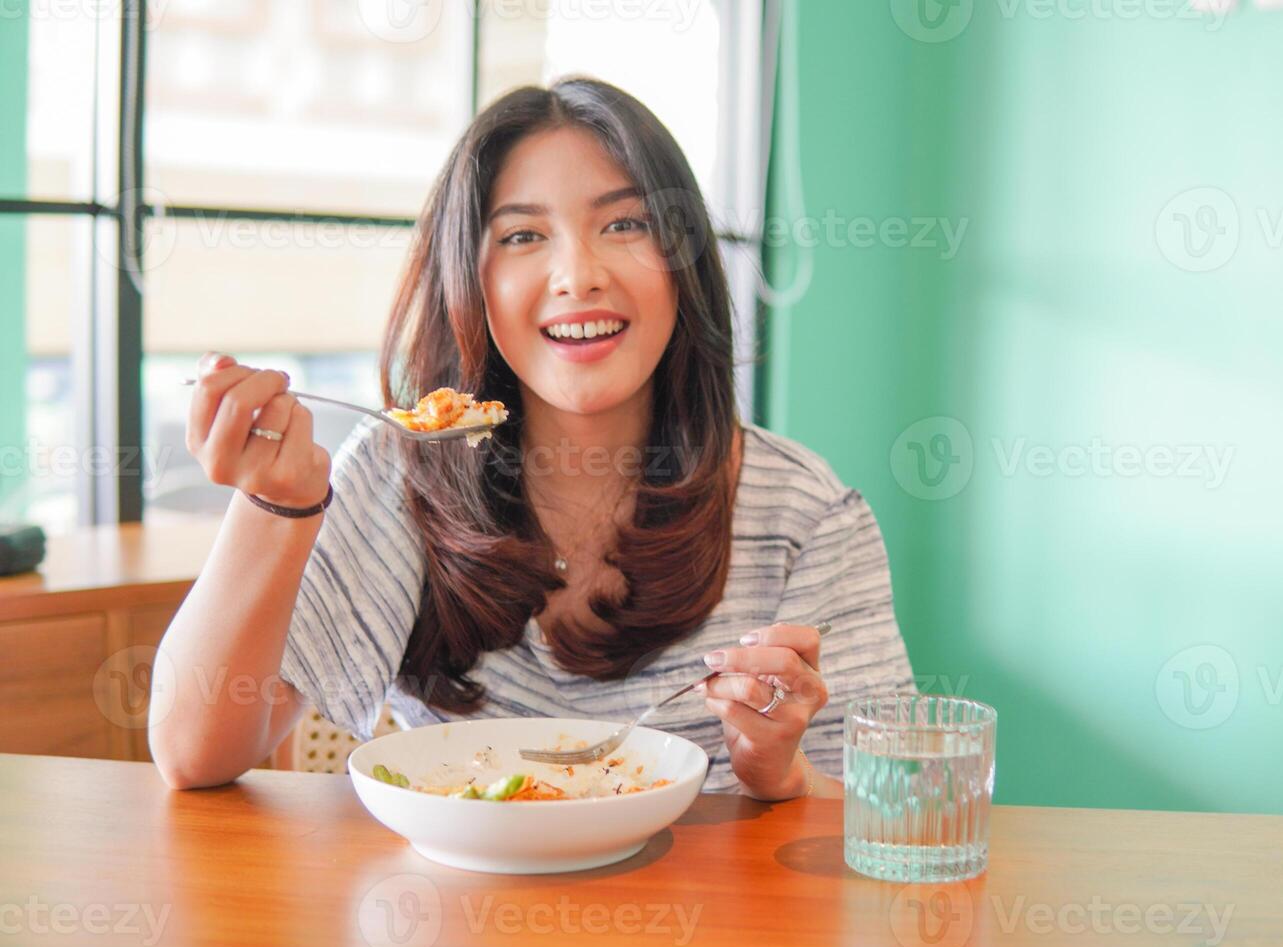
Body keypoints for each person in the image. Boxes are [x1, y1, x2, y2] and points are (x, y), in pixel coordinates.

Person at [150, 77, 916, 799]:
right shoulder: (401, 474)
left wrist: (782, 777)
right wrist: (273, 504)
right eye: (522, 236)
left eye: (625, 224)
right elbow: (193, 754)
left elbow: (897, 814)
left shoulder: (805, 514)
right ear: (468, 280)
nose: (577, 275)